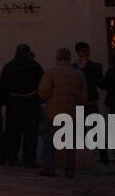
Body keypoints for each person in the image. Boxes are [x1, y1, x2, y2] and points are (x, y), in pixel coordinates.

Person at [37, 48, 88, 178]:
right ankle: (70, 169)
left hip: (53, 113)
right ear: (70, 58)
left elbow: (43, 93)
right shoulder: (78, 74)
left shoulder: (51, 72)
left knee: (50, 142)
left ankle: (49, 168)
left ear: (57, 58)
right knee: (70, 144)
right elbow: (83, 97)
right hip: (71, 113)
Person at [0, 44, 43, 167]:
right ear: (28, 53)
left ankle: (12, 158)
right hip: (31, 103)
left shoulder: (9, 66)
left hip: (14, 103)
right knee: (30, 133)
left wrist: (6, 100)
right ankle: (29, 160)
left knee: (13, 131)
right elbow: (42, 84)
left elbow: (3, 85)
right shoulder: (35, 66)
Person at [74, 41, 106, 163]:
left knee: (96, 132)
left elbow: (98, 81)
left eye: (86, 51)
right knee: (81, 133)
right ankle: (83, 158)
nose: (85, 53)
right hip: (80, 103)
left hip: (91, 101)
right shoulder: (74, 67)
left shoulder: (95, 66)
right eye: (82, 51)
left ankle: (103, 158)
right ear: (78, 53)